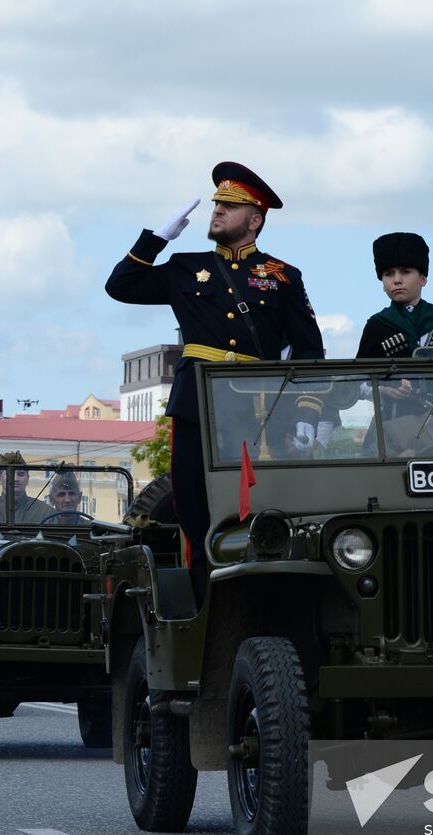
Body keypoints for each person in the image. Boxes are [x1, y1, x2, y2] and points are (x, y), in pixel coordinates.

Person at [105, 161, 325, 594]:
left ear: (255, 220)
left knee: (262, 507)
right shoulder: (185, 267)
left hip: (258, 409)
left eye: (231, 204)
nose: (218, 210)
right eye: (217, 203)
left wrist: (306, 413)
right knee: (193, 504)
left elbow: (309, 351)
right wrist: (155, 240)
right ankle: (204, 592)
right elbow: (121, 286)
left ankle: (262, 591)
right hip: (197, 406)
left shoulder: (282, 276)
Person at [358, 232, 433, 420]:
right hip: (391, 422)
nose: (396, 280)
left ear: (423, 278)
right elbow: (357, 380)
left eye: (405, 271)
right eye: (388, 274)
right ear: (382, 283)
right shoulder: (377, 325)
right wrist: (385, 390)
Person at [0, 451, 49, 525]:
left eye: (21, 474)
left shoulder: (45, 512)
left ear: (28, 479)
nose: (15, 479)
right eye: (10, 474)